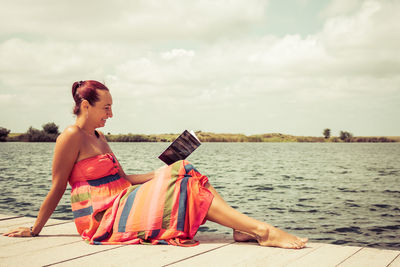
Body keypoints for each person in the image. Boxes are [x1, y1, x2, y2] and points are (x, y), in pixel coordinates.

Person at [3, 80, 308, 248]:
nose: (110, 114)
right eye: (106, 108)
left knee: (186, 171)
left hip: (119, 199)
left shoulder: (99, 137)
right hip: (99, 217)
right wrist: (35, 228)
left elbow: (122, 180)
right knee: (184, 177)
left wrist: (160, 173)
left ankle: (246, 230)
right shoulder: (71, 136)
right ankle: (260, 231)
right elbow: (57, 187)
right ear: (85, 105)